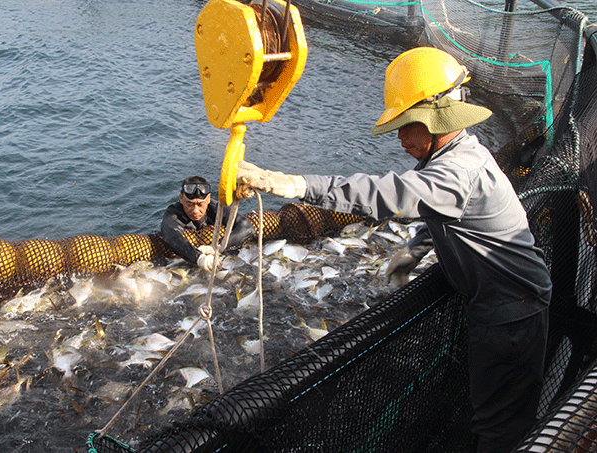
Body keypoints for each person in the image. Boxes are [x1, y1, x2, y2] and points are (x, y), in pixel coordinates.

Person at [236, 47, 552, 453]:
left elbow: (391, 194)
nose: (400, 137)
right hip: (507, 303)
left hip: (510, 316)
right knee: (497, 411)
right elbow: (444, 212)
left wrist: (293, 185)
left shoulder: (459, 171)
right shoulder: (463, 154)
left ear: (437, 119)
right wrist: (415, 251)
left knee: (499, 426)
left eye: (407, 125)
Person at [161, 176, 255, 271]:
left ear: (208, 198)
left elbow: (247, 227)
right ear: (181, 198)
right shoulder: (173, 213)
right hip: (189, 252)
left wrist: (217, 248)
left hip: (213, 248)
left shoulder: (215, 208)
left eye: (200, 204)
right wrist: (198, 257)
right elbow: (171, 235)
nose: (195, 211)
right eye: (189, 204)